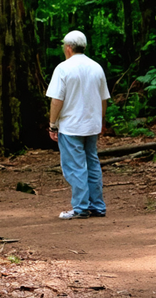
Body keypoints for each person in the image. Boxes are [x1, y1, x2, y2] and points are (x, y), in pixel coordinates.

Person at [47, 30, 110, 220]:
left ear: (68, 48)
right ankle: (97, 205)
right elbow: (103, 99)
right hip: (91, 125)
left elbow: (57, 100)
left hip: (71, 126)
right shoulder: (96, 67)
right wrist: (101, 121)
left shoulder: (63, 68)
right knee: (92, 163)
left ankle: (81, 207)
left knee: (75, 167)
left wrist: (52, 124)